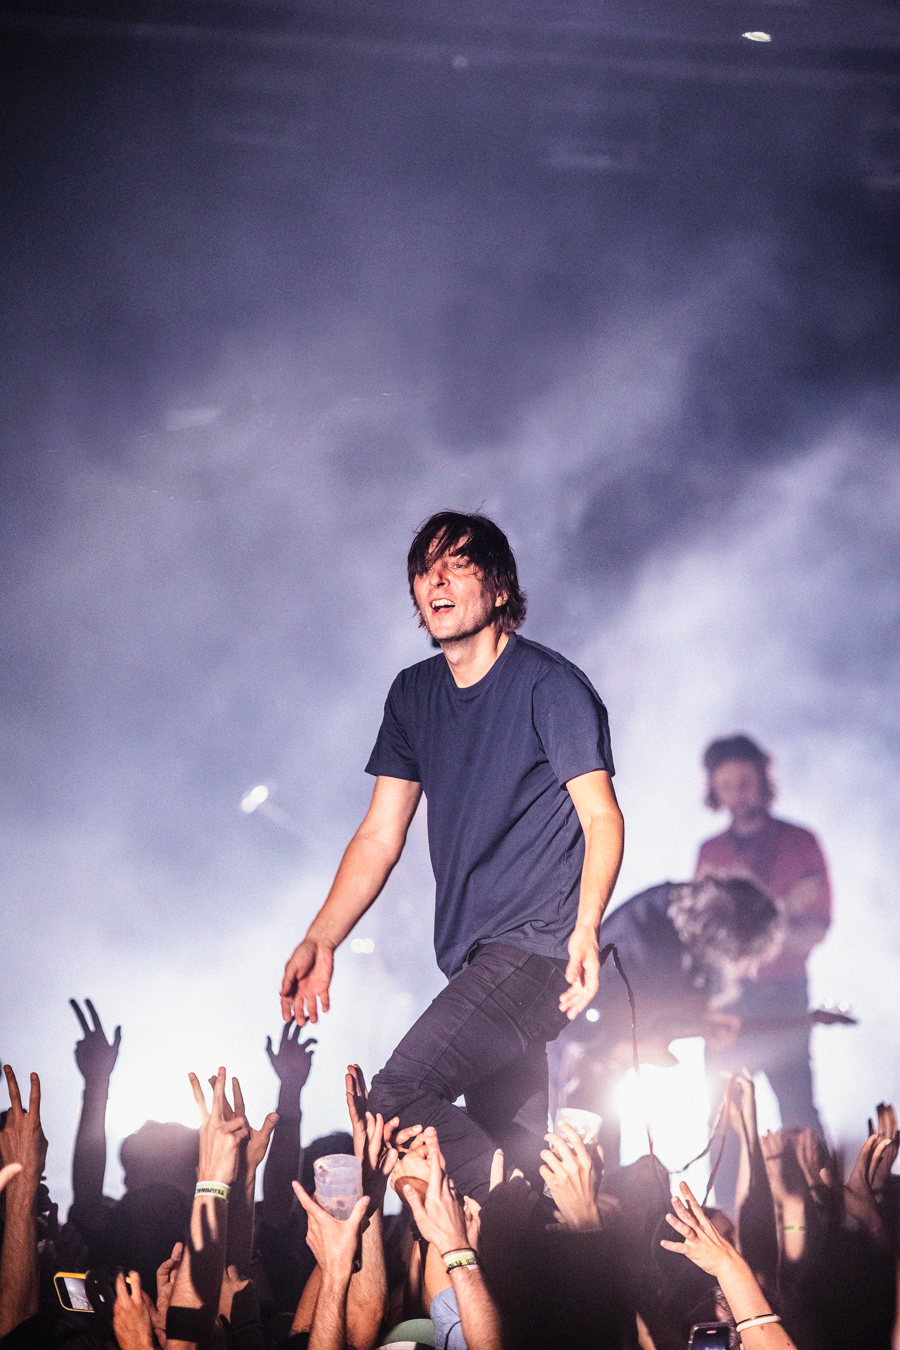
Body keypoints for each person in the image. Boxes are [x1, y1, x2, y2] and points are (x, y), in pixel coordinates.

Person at [280, 510, 624, 1201]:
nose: (434, 579)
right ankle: (547, 1255)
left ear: (499, 589)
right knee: (514, 1148)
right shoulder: (413, 696)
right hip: (476, 959)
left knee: (397, 1098)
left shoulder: (548, 686)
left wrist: (585, 927)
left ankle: (518, 1214)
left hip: (535, 956)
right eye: (424, 567)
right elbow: (380, 835)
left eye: (456, 564)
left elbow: (601, 816)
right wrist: (323, 936)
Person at [554, 876, 781, 1163]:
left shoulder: (683, 927)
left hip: (602, 1066)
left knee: (601, 1172)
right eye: (741, 957)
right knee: (577, 1169)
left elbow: (653, 1009)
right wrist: (619, 1050)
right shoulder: (639, 931)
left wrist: (700, 1024)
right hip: (577, 1068)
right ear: (726, 937)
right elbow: (581, 1018)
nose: (747, 972)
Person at [695, 735, 831, 1139]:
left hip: (785, 996)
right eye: (725, 785)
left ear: (762, 779)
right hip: (728, 1002)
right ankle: (724, 1205)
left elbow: (818, 927)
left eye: (744, 781)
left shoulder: (801, 842)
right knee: (724, 1120)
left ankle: (817, 1202)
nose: (736, 794)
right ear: (714, 790)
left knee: (799, 1114)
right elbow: (702, 937)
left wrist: (746, 931)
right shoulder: (710, 852)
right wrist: (784, 909)